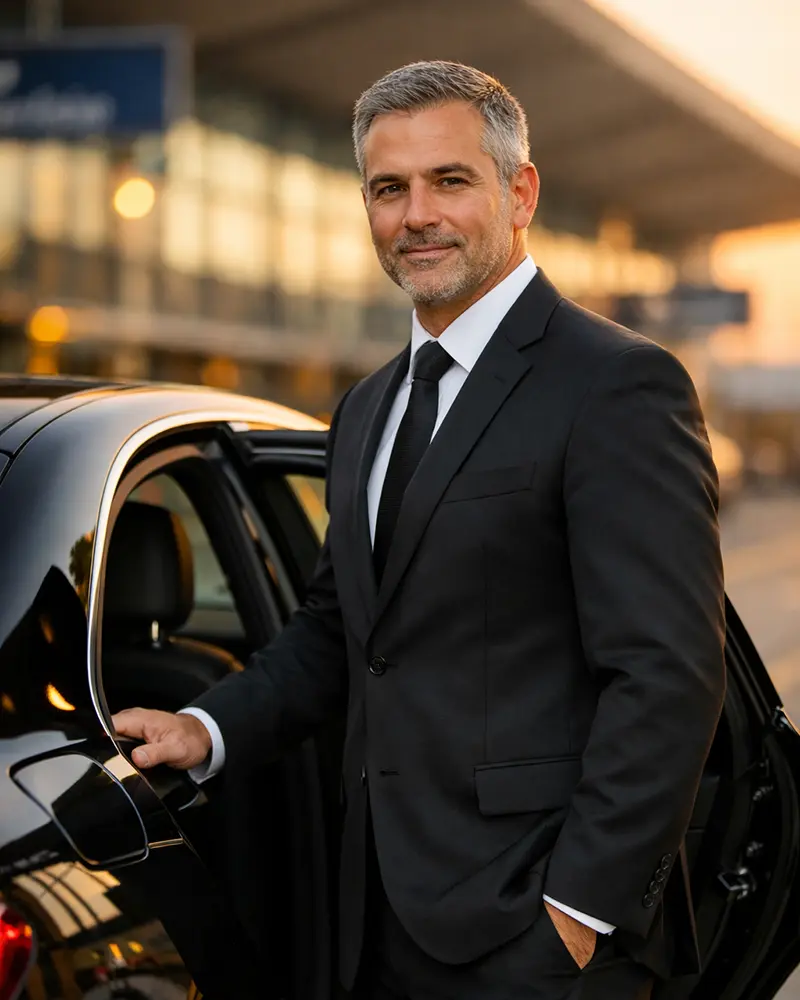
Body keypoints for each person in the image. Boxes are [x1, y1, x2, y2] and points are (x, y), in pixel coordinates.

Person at [113, 61, 726, 1000]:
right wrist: (203, 726)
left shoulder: (616, 384)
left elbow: (667, 672)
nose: (415, 215)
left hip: (540, 937)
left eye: (450, 180)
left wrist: (579, 913)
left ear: (520, 193)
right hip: (376, 920)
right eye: (388, 189)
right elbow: (338, 631)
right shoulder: (366, 409)